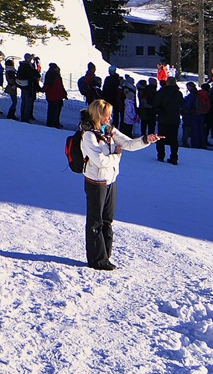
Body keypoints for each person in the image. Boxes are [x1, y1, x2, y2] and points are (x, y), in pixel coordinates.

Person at [79, 99, 161, 270]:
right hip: (96, 182)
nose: (110, 119)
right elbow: (99, 161)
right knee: (95, 221)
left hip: (110, 180)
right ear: (98, 116)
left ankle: (105, 256)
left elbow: (129, 144)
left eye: (110, 115)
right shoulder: (88, 135)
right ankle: (96, 260)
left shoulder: (109, 131)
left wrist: (146, 139)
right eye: (107, 116)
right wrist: (116, 156)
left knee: (107, 220)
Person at [152, 77, 182, 165]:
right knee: (174, 139)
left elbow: (155, 104)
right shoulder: (178, 93)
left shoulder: (161, 92)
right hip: (174, 119)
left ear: (167, 82)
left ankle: (161, 155)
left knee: (161, 137)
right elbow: (182, 105)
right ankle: (174, 157)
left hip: (163, 118)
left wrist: (157, 111)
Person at [43, 63, 66, 128]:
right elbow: (49, 85)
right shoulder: (52, 75)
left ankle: (54, 122)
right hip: (54, 96)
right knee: (53, 110)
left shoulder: (54, 74)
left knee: (55, 110)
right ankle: (52, 123)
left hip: (55, 95)